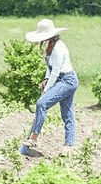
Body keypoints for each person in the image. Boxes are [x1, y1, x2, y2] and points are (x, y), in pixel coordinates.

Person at [23, 19, 78, 150]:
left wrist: (47, 90)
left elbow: (56, 72)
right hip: (61, 79)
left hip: (67, 80)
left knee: (42, 103)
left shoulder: (58, 48)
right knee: (67, 112)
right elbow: (50, 68)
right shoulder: (50, 47)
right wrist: (46, 79)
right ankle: (70, 145)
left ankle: (34, 138)